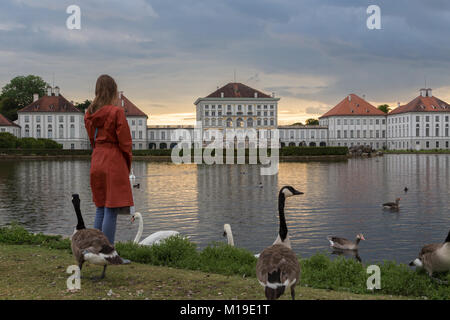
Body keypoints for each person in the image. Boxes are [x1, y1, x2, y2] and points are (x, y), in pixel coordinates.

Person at [84, 74, 134, 244]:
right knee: (111, 209)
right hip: (113, 160)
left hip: (97, 158)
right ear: (113, 91)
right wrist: (126, 163)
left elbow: (92, 140)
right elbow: (125, 143)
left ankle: (96, 249)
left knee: (100, 207)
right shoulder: (116, 112)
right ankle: (108, 252)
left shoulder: (89, 114)